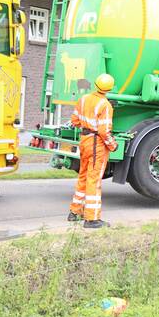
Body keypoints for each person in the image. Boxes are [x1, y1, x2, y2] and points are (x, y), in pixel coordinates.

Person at [67, 73, 117, 229]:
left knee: (83, 176)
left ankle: (74, 212)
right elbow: (104, 131)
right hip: (97, 145)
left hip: (84, 141)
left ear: (95, 84)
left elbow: (75, 121)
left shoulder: (83, 99)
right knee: (94, 180)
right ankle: (92, 219)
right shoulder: (105, 105)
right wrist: (112, 145)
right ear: (109, 89)